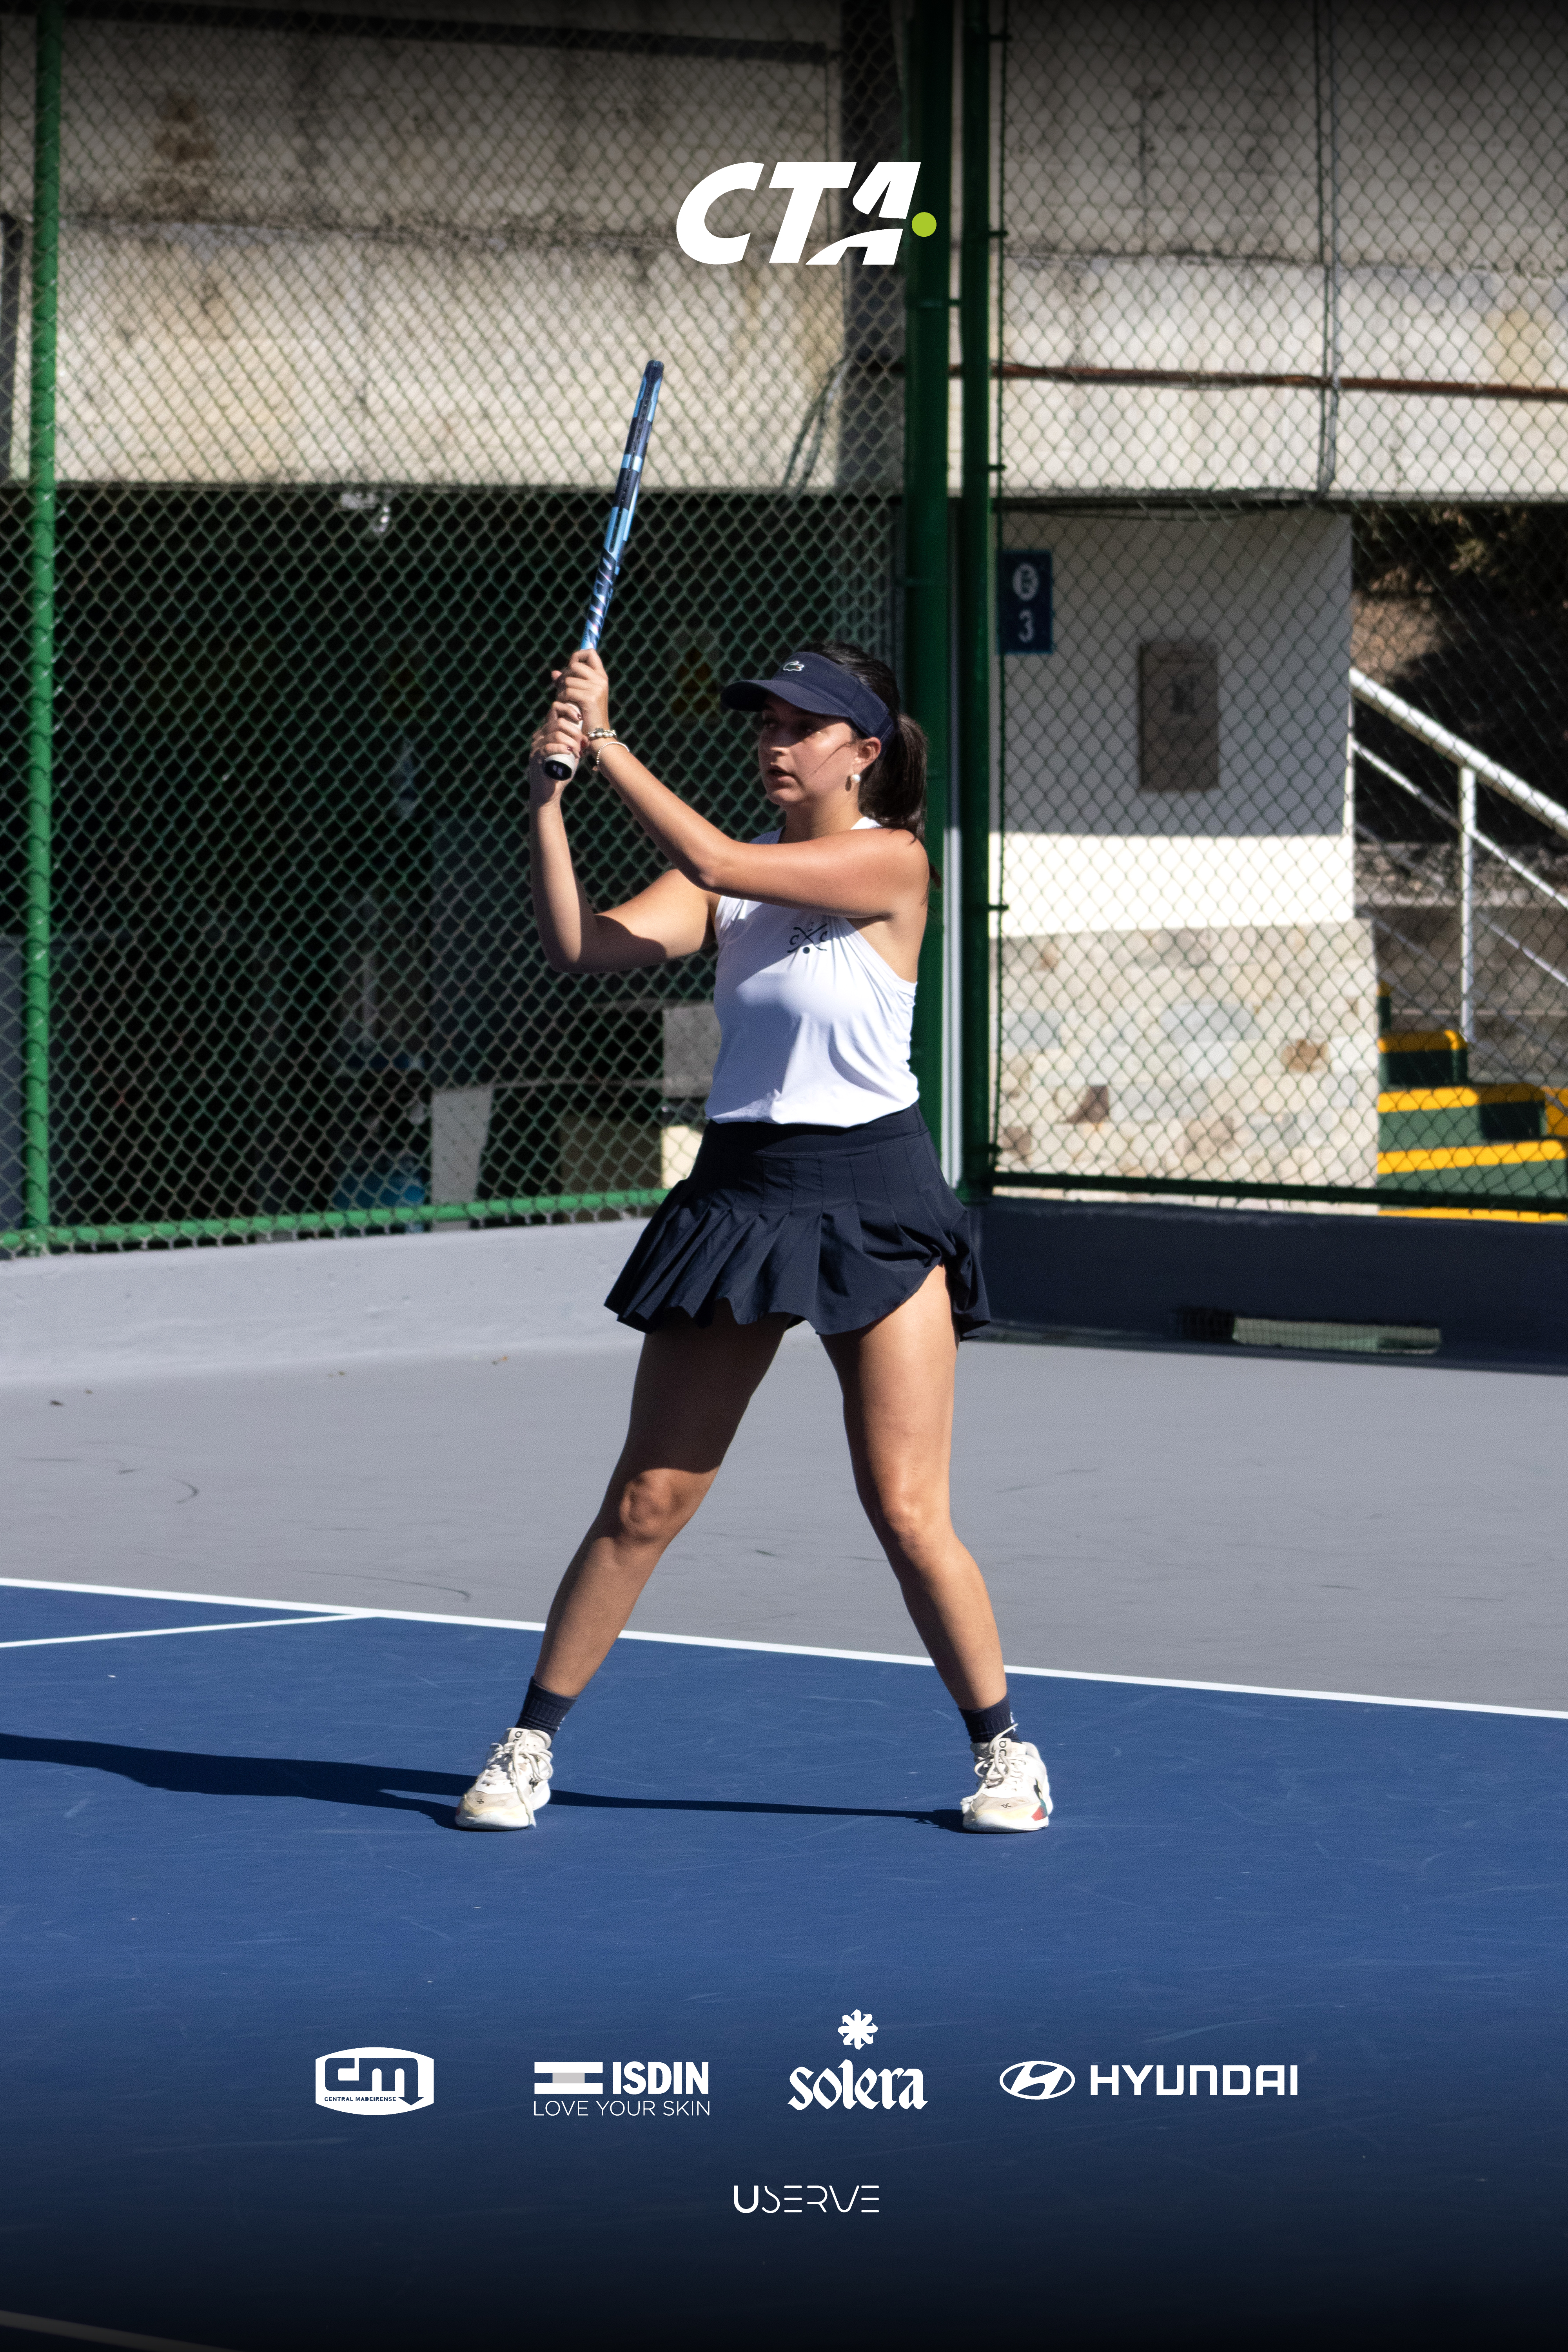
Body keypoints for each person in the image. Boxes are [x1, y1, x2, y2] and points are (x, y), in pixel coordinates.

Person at [455, 641, 1051, 1836]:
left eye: (801, 725)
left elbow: (719, 855)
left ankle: (1005, 1753)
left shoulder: (890, 861)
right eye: (765, 722)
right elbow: (587, 946)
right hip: (738, 1198)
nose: (774, 742)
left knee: (905, 1508)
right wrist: (547, 805)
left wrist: (612, 741)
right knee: (647, 1498)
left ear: (863, 751)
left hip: (874, 1195)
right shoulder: (734, 878)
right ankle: (526, 1746)